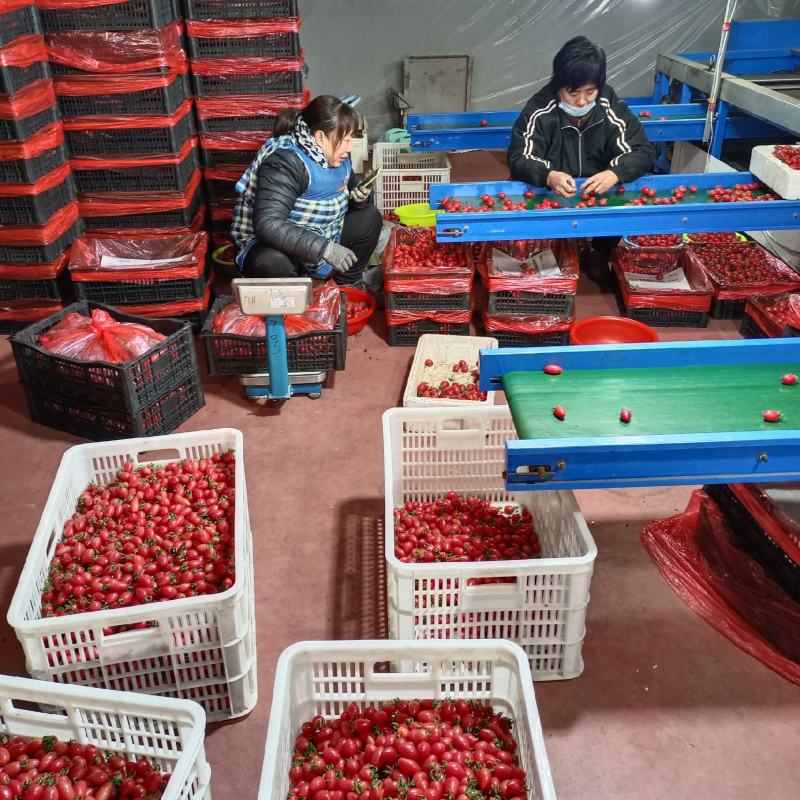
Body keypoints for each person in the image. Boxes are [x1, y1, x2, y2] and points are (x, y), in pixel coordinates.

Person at [507, 36, 655, 281]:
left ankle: (599, 252)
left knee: (626, 190)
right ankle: (552, 249)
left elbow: (642, 150)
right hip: (554, 190)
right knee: (528, 202)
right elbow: (518, 155)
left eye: (590, 92)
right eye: (573, 93)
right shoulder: (540, 109)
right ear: (559, 86)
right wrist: (548, 175)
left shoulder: (609, 105)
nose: (583, 101)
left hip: (596, 187)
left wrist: (615, 173)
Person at [232, 94, 383, 289]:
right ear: (320, 137)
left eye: (350, 140)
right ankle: (293, 301)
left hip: (326, 233)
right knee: (269, 261)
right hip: (283, 247)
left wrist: (360, 198)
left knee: (369, 217)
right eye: (345, 140)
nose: (349, 147)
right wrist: (324, 248)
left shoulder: (339, 158)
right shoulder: (286, 162)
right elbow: (268, 224)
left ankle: (348, 285)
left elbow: (351, 197)